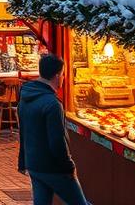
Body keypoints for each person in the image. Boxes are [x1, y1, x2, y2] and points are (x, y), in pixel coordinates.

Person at [18, 54, 88, 205]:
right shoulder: (52, 104)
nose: (63, 78)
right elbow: (57, 141)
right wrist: (69, 167)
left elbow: (23, 131)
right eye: (63, 74)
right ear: (57, 76)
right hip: (54, 168)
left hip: (34, 164)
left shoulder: (25, 96)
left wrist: (23, 161)